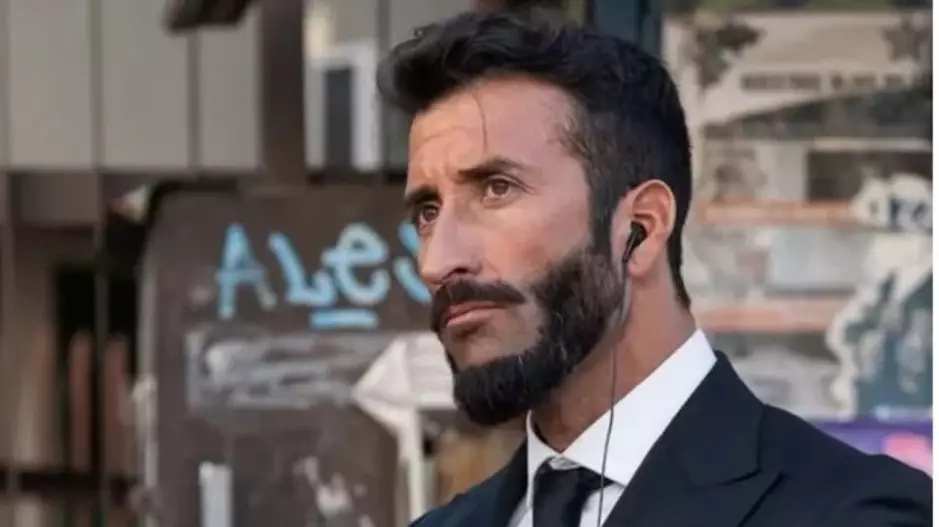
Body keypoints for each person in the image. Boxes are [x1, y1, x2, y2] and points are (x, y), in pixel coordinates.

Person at [377, 9, 932, 527]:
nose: (437, 261)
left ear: (640, 228)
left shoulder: (854, 512)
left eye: (497, 188)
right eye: (427, 211)